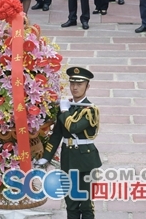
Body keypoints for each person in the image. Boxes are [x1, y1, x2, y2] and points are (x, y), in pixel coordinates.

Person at [38, 67, 101, 219]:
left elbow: (74, 127)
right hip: (68, 160)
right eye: (72, 83)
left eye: (80, 84)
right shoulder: (66, 107)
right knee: (71, 203)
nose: (75, 87)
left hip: (86, 160)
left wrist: (64, 111)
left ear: (87, 86)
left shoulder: (90, 109)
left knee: (85, 204)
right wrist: (47, 156)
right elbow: (57, 135)